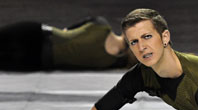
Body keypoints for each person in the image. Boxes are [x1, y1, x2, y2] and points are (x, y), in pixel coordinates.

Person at [0, 16, 137, 71]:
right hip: (38, 61)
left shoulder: (100, 24)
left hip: (38, 36)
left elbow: (66, 30)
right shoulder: (110, 62)